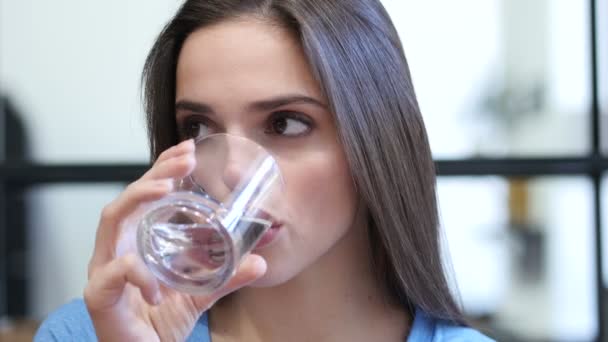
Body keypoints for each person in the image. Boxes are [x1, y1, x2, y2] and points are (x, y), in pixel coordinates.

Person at [35, 0, 495, 341]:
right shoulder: (90, 331)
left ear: (375, 140)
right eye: (198, 128)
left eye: (285, 123)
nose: (233, 170)